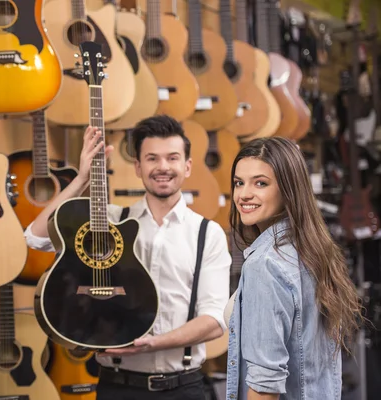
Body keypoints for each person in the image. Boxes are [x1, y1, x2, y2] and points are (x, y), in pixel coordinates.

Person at [24, 115, 231, 399]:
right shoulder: (109, 223)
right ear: (137, 167)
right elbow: (36, 237)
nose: (162, 167)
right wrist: (82, 178)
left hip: (184, 388)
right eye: (151, 158)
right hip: (117, 387)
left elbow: (214, 320)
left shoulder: (208, 234)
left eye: (172, 158)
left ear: (187, 166)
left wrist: (154, 344)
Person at [225, 137, 362, 400]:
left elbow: (265, 386)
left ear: (288, 189)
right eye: (239, 183)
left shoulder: (264, 263)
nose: (243, 194)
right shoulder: (312, 248)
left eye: (260, 183)